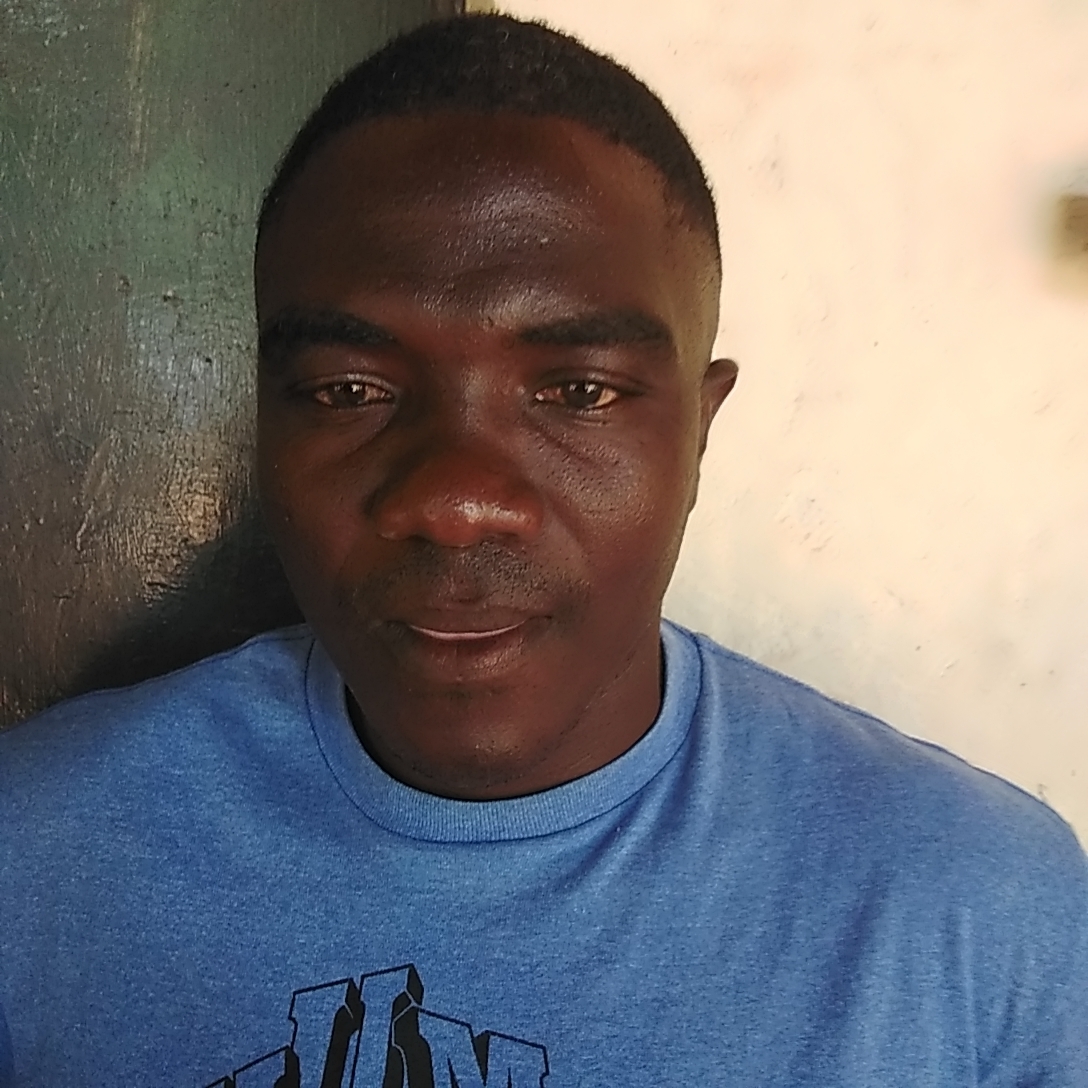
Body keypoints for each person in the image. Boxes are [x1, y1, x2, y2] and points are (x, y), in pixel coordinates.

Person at [0, 13, 1085, 1087]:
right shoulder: (37, 850)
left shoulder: (982, 916)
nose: (456, 501)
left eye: (578, 393)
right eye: (347, 391)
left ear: (698, 433)